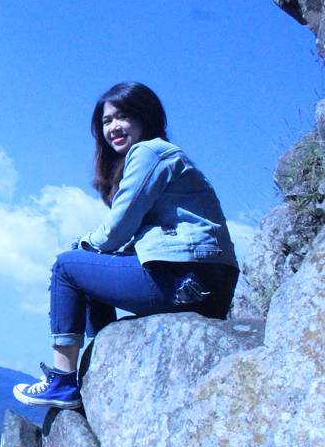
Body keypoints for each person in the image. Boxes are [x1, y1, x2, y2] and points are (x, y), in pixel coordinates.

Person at [13, 82, 240, 409]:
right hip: (207, 284)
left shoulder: (150, 152)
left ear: (144, 116)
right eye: (106, 121)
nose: (113, 127)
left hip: (184, 278)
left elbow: (117, 229)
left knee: (67, 265)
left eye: (123, 117)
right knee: (93, 265)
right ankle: (104, 359)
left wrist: (83, 245)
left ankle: (63, 379)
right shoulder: (164, 155)